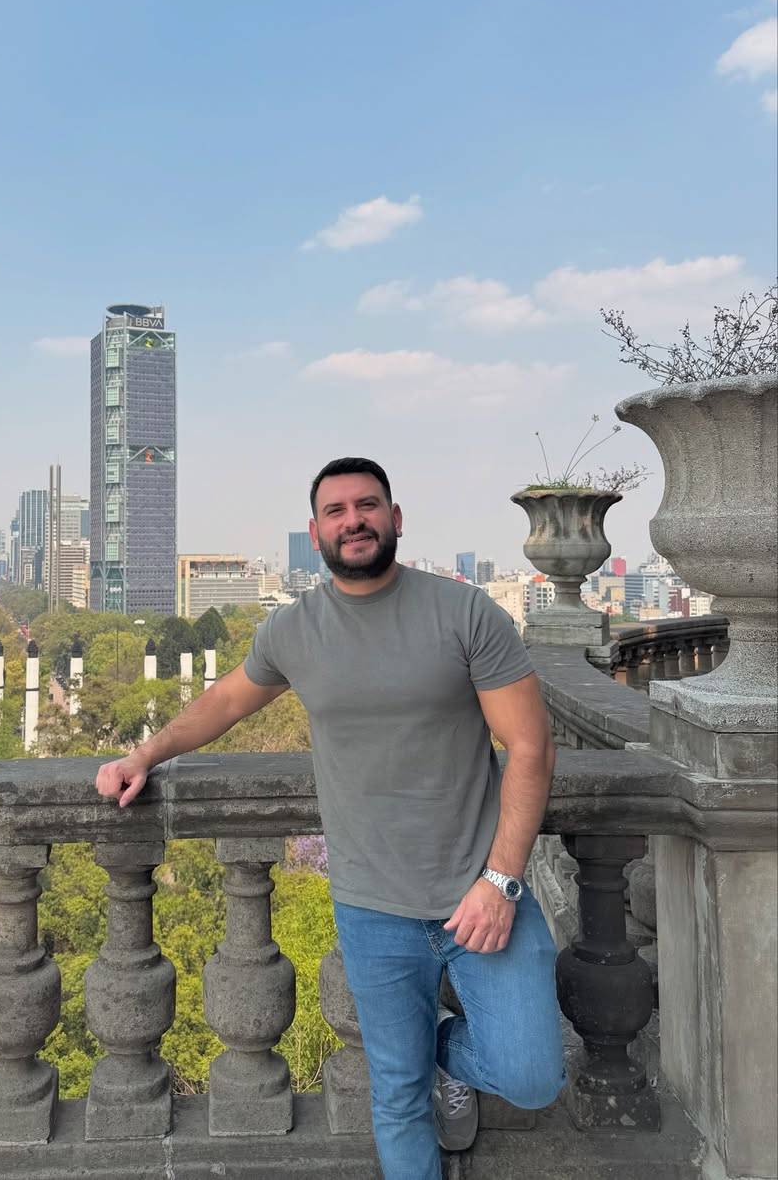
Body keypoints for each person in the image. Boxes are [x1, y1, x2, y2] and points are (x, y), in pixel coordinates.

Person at [96, 457, 565, 1179]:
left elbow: (530, 747)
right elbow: (226, 701)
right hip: (372, 908)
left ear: (395, 518)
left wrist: (500, 881)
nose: (354, 521)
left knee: (530, 1075)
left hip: (480, 891)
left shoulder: (465, 612)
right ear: (314, 532)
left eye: (367, 505)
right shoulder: (294, 630)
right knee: (397, 1094)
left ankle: (450, 1056)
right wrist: (145, 754)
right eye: (336, 511)